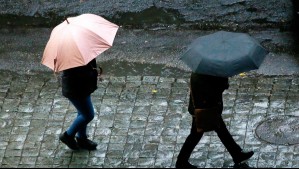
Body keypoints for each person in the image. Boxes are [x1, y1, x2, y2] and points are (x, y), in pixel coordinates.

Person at [176, 72, 254, 168]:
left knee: (220, 129)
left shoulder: (201, 69)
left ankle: (237, 154)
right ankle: (181, 162)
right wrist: (223, 82)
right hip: (204, 108)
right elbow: (214, 89)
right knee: (197, 134)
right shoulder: (206, 73)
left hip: (204, 106)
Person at [59, 58, 100, 150]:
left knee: (82, 112)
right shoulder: (73, 56)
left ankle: (81, 139)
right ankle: (68, 136)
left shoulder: (80, 52)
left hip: (82, 86)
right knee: (88, 115)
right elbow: (80, 73)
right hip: (77, 89)